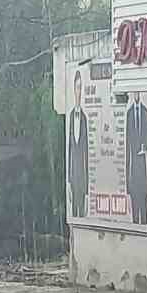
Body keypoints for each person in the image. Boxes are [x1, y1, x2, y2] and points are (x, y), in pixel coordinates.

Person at [125, 91, 147, 225]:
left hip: (143, 173)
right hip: (133, 175)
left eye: (137, 92)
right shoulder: (129, 114)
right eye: (133, 92)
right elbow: (127, 150)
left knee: (144, 216)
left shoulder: (146, 113)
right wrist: (127, 187)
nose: (136, 94)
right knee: (135, 216)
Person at [68, 71, 89, 217]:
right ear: (73, 90)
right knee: (73, 215)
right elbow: (69, 151)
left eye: (80, 87)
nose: (78, 91)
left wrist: (87, 189)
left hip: (82, 176)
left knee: (81, 213)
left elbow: (87, 154)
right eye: (77, 87)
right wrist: (68, 181)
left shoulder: (84, 118)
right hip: (73, 176)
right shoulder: (70, 117)